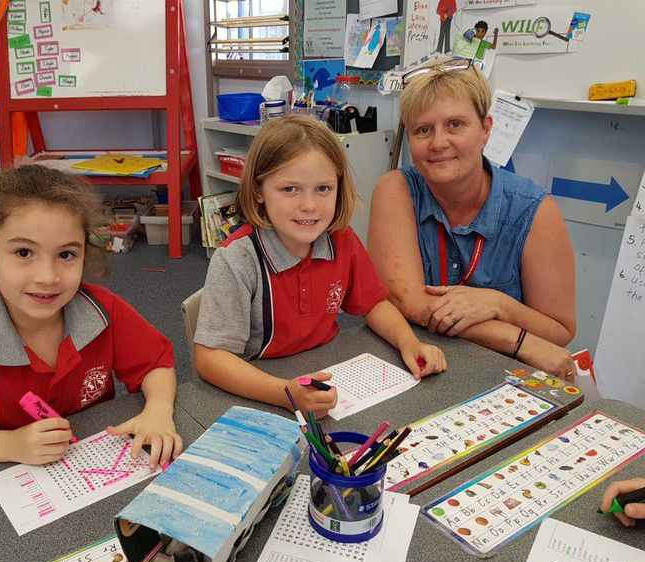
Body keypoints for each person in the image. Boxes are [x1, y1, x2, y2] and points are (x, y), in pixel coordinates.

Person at [0, 165, 182, 467]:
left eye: (66, 255)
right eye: (24, 253)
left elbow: (155, 364)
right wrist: (9, 444)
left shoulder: (102, 309)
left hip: (82, 474)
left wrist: (158, 408)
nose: (47, 277)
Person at [194, 116, 446, 418]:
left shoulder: (343, 240)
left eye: (323, 189)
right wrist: (285, 394)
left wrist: (409, 342)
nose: (309, 205)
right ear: (259, 190)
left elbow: (374, 303)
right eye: (289, 189)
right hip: (259, 389)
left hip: (327, 375)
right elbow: (210, 358)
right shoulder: (237, 260)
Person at [368, 58, 577, 381]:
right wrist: (515, 338)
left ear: (486, 130)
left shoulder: (535, 210)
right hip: (418, 367)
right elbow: (407, 300)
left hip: (504, 377)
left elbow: (559, 332)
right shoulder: (396, 190)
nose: (438, 143)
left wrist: (499, 304)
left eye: (455, 124)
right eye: (423, 130)